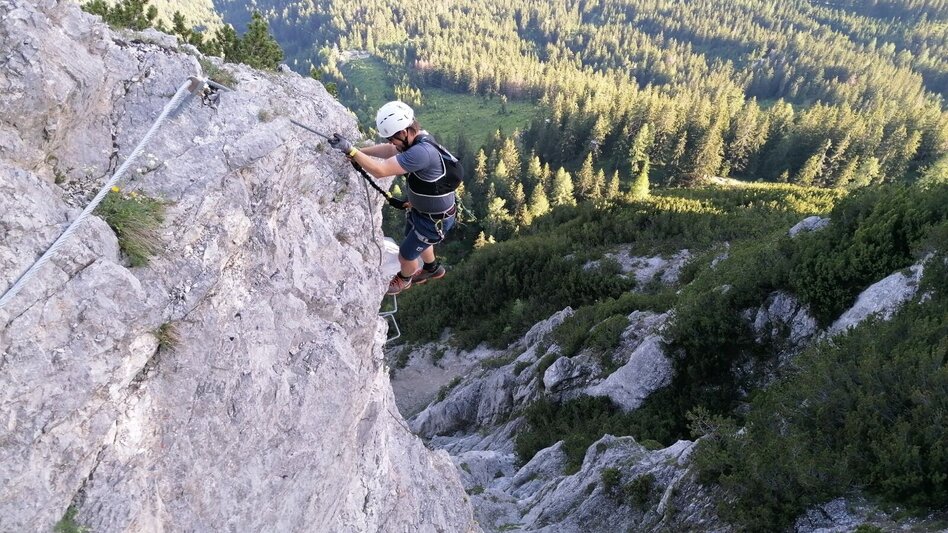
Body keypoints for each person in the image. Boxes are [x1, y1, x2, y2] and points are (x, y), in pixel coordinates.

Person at [328, 101, 461, 295]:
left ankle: (405, 278)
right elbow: (389, 151)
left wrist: (352, 151)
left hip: (433, 220)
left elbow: (381, 171)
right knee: (416, 240)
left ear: (404, 132)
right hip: (425, 212)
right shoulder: (418, 139)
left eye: (393, 138)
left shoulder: (421, 153)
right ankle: (432, 268)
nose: (391, 142)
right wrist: (359, 152)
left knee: (406, 255)